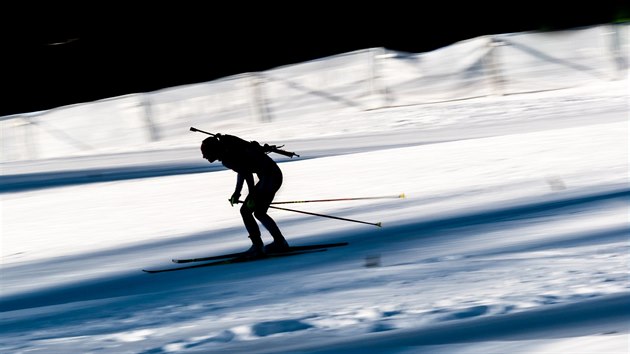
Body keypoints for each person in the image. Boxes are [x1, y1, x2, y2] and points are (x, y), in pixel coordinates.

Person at [200, 134, 289, 257]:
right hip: (271, 175)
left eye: (205, 152)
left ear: (214, 150)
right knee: (258, 212)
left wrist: (251, 195)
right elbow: (242, 171)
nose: (204, 156)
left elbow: (246, 173)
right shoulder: (229, 154)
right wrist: (237, 192)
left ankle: (260, 246)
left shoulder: (229, 157)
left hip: (270, 177)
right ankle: (278, 242)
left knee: (247, 212)